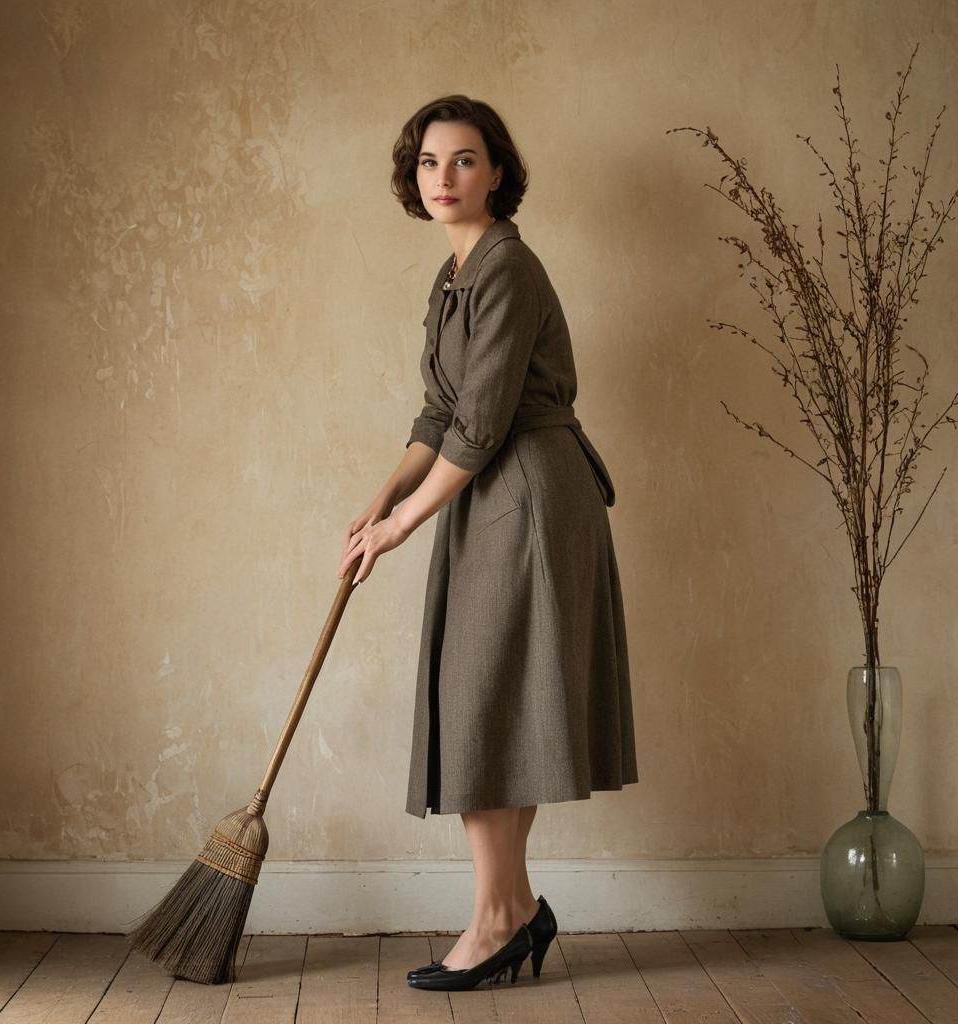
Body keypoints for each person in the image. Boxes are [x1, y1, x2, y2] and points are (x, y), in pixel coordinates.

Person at [337, 95, 638, 991]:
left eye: (464, 161)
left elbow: (478, 427)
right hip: (489, 496)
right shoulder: (454, 273)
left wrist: (401, 527)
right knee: (487, 704)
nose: (444, 179)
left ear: (497, 171)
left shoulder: (504, 267)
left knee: (488, 702)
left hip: (529, 498)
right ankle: (505, 912)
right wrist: (375, 500)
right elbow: (438, 413)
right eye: (429, 163)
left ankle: (500, 916)